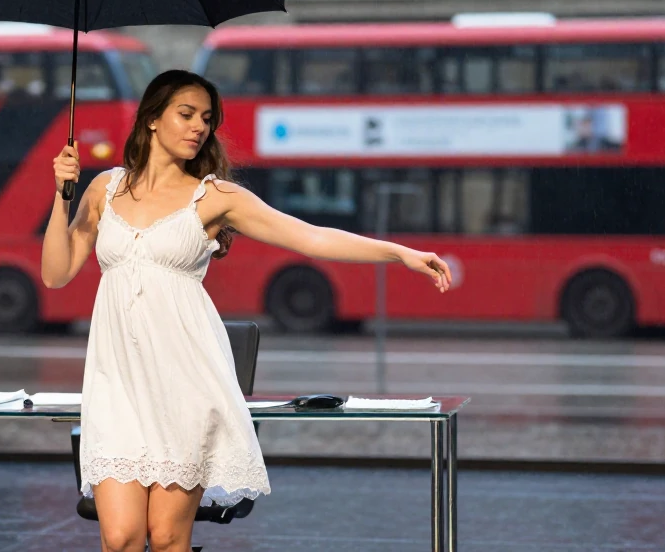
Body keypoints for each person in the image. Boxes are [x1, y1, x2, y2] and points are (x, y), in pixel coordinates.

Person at [40, 70, 452, 552]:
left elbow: (309, 236)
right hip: (116, 384)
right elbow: (56, 273)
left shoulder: (216, 196)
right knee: (121, 537)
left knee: (169, 537)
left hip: (185, 383)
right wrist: (60, 195)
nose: (198, 127)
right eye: (186, 114)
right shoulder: (104, 189)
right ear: (152, 118)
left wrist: (397, 252)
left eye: (207, 119)